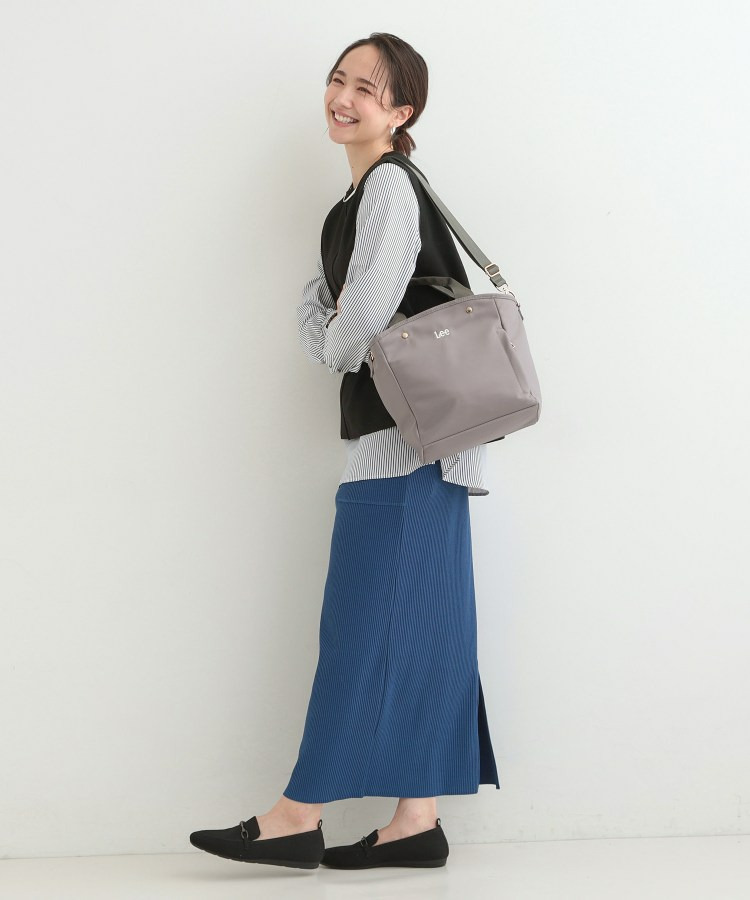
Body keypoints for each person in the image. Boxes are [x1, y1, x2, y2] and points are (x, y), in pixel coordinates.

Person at [190, 31, 506, 872]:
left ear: (402, 112)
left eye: (368, 88)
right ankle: (416, 819)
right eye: (338, 80)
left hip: (406, 445)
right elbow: (331, 310)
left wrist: (333, 335)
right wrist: (333, 324)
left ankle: (297, 816)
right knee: (427, 628)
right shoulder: (360, 200)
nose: (345, 97)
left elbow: (349, 324)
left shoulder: (390, 188)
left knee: (360, 628)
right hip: (427, 444)